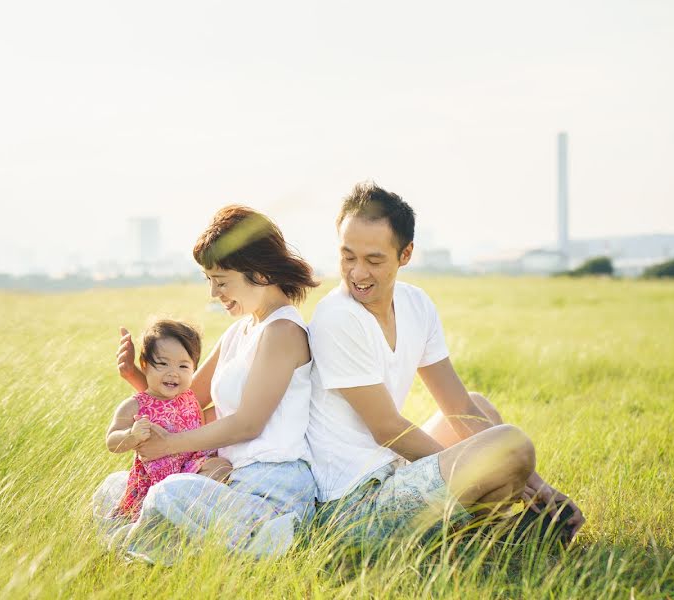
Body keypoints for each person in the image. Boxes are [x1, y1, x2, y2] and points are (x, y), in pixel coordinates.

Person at [307, 182, 585, 547]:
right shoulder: (337, 317)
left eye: (374, 260)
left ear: (405, 254)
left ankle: (479, 535)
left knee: (481, 410)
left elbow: (458, 407)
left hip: (391, 473)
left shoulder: (415, 304)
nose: (358, 273)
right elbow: (387, 429)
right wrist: (479, 464)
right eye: (347, 257)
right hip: (349, 509)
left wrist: (539, 486)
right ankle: (481, 540)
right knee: (509, 445)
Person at [92, 205, 320, 562]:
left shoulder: (283, 332)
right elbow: (188, 402)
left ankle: (268, 539)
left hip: (272, 486)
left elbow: (248, 423)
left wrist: (170, 446)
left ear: (257, 271)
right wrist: (139, 379)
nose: (214, 293)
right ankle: (161, 550)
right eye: (209, 280)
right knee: (113, 489)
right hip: (228, 478)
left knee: (168, 493)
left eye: (221, 280)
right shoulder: (240, 331)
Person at [106, 319, 233, 521]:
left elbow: (219, 415)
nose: (173, 373)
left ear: (194, 369)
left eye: (183, 366)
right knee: (142, 516)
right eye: (163, 363)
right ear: (145, 365)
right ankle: (163, 513)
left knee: (221, 467)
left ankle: (191, 512)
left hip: (190, 468)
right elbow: (112, 440)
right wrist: (131, 435)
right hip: (154, 479)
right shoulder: (136, 405)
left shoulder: (189, 399)